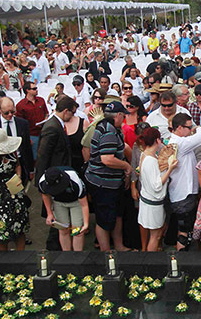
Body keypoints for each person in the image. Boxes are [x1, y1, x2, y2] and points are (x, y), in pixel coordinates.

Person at [84, 101, 134, 252]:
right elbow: (107, 159)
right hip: (102, 183)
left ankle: (118, 246)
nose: (125, 118)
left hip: (113, 182)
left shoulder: (110, 127)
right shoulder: (109, 132)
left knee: (116, 215)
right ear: (118, 115)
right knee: (103, 219)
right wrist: (126, 166)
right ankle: (106, 252)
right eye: (123, 115)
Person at [168, 113, 201, 251]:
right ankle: (181, 258)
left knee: (185, 228)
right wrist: (197, 128)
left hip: (183, 192)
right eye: (188, 127)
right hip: (183, 193)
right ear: (179, 128)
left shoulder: (178, 142)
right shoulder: (179, 143)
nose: (190, 129)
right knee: (183, 231)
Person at [136, 126, 177, 252]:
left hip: (146, 200)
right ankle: (150, 263)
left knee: (154, 235)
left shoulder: (144, 154)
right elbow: (157, 185)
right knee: (155, 236)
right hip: (153, 203)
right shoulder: (151, 160)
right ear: (157, 140)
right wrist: (170, 169)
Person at [0, 97, 34, 184]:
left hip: (19, 163)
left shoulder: (22, 123)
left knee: (18, 192)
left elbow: (27, 147)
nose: (10, 115)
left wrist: (31, 169)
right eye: (6, 113)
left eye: (12, 112)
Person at [38, 166, 89, 251]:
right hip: (58, 203)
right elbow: (45, 195)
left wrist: (86, 223)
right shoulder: (42, 182)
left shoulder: (75, 181)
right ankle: (66, 254)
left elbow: (84, 205)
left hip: (76, 203)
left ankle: (77, 255)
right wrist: (49, 213)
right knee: (63, 230)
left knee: (77, 231)